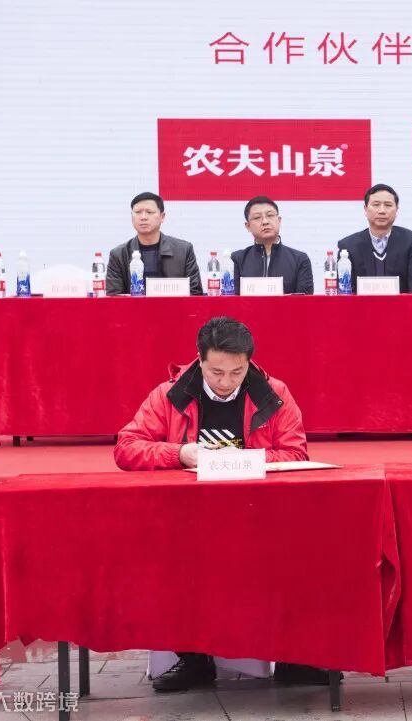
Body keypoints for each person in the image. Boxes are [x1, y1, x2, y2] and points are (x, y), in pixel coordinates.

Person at [114, 317, 338, 691]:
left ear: (249, 363)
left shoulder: (273, 393)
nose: (226, 382)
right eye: (216, 372)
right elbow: (126, 447)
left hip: (260, 513)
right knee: (176, 559)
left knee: (304, 551)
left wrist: (248, 459)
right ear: (199, 360)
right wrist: (178, 453)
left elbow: (296, 453)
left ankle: (293, 657)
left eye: (237, 372)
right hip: (190, 515)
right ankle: (193, 661)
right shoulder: (169, 394)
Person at [106, 192, 202, 296]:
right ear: (131, 217)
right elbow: (113, 298)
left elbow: (195, 294)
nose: (143, 217)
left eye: (149, 212)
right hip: (134, 307)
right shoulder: (118, 255)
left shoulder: (184, 250)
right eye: (138, 212)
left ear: (162, 217)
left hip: (175, 306)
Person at [337, 184, 412, 293]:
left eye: (388, 205)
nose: (382, 211)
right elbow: (343, 292)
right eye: (376, 205)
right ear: (365, 209)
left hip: (401, 304)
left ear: (397, 209)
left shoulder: (410, 241)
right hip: (361, 304)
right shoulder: (348, 246)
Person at [231, 196, 314, 295]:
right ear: (248, 226)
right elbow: (232, 299)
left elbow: (305, 301)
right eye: (257, 217)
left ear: (279, 220)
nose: (265, 222)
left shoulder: (299, 259)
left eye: (270, 215)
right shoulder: (238, 259)